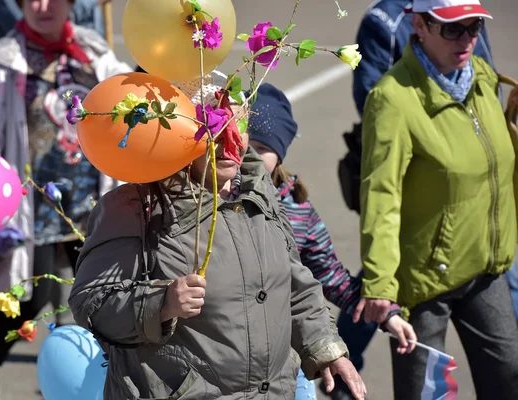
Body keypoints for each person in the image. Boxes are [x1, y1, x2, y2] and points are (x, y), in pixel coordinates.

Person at [69, 70, 367, 400]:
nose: (231, 144)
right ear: (180, 134)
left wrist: (327, 349)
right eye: (213, 130)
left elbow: (294, 286)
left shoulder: (261, 194)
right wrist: (161, 303)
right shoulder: (136, 207)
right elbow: (92, 304)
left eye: (237, 128)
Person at [333, 1, 502, 398]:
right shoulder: (383, 21)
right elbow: (372, 101)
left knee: (505, 358)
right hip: (416, 193)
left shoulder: (469, 32)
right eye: (453, 30)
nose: (467, 39)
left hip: (478, 221)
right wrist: (436, 129)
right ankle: (341, 364)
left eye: (473, 27)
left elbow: (486, 84)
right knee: (380, 284)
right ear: (420, 25)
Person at [0, 0, 131, 398]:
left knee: (105, 301)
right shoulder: (6, 59)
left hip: (90, 202)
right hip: (34, 205)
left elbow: (128, 103)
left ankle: (94, 383)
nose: (43, 6)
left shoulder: (93, 50)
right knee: (31, 298)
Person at [247, 83, 417, 399]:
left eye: (261, 147)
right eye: (242, 142)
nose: (250, 155)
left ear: (281, 152)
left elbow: (328, 274)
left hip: (286, 357)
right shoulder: (211, 201)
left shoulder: (296, 209)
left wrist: (386, 314)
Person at [0, 0, 112, 39]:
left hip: (90, 49)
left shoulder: (97, 52)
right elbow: (38, 27)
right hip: (24, 74)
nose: (43, 7)